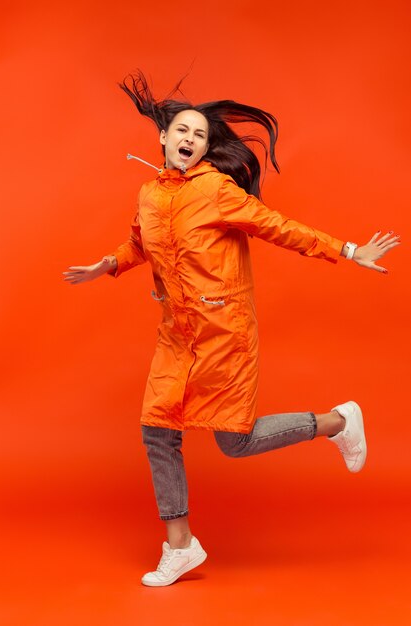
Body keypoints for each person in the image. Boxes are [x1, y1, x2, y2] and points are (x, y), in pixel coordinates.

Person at [63, 71, 400, 587]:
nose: (190, 139)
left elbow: (279, 226)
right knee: (157, 430)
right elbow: (139, 244)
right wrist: (106, 265)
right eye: (183, 130)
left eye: (199, 134)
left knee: (233, 444)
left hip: (224, 331)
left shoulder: (218, 190)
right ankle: (181, 545)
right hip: (177, 334)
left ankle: (336, 421)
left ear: (204, 148)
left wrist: (350, 251)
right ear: (164, 137)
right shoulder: (149, 194)